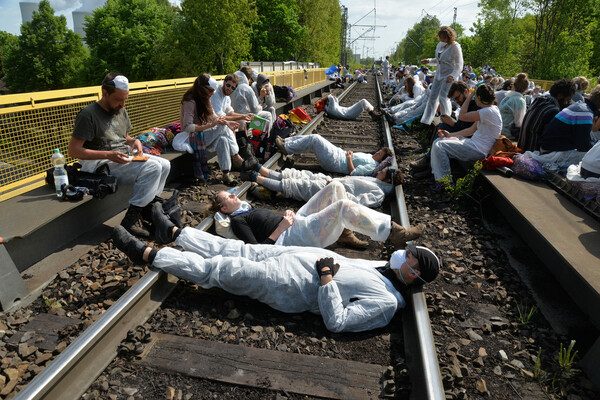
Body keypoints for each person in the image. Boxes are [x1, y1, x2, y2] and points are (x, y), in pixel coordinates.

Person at [111, 221, 440, 333]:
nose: (405, 255)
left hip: (290, 285)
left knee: (222, 270)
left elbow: (338, 321)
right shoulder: (386, 271)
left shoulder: (386, 303)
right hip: (288, 259)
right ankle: (175, 232)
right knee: (235, 249)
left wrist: (325, 279)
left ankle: (148, 255)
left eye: (411, 256)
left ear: (414, 273)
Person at [69, 72, 171, 237]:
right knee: (153, 168)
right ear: (105, 93)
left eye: (125, 99)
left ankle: (148, 208)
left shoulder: (120, 109)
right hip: (99, 164)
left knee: (165, 164)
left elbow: (123, 137)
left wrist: (134, 142)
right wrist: (108, 155)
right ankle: (131, 219)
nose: (123, 104)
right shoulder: (88, 115)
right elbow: (73, 151)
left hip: (120, 157)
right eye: (118, 99)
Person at [211, 182, 424, 249]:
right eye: (228, 196)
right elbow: (257, 251)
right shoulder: (238, 221)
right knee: (342, 206)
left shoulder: (245, 210)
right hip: (292, 237)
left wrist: (285, 216)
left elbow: (266, 222)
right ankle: (392, 233)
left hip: (295, 223)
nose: (233, 194)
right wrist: (282, 227)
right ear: (224, 209)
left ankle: (344, 234)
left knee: (335, 187)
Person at [178, 74, 256, 185]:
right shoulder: (190, 101)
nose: (213, 93)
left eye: (214, 91)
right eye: (210, 90)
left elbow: (215, 117)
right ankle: (237, 157)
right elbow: (187, 127)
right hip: (191, 137)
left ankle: (226, 173)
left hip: (202, 135)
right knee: (221, 126)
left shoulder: (206, 99)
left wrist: (227, 122)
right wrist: (211, 125)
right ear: (202, 88)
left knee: (223, 140)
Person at [430, 83, 501, 183]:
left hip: (478, 150)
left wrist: (470, 95)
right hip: (475, 145)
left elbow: (462, 116)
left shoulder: (487, 112)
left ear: (479, 97)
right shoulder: (488, 111)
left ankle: (444, 183)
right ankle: (439, 178)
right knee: (439, 141)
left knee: (440, 146)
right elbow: (470, 130)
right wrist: (449, 135)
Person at [243, 165, 402, 208]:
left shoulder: (379, 194)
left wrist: (337, 187)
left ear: (388, 181)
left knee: (297, 186)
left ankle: (257, 178)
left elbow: (356, 201)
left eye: (384, 171)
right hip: (332, 182)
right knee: (300, 175)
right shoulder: (377, 182)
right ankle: (261, 170)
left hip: (331, 192)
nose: (380, 170)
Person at [274, 134, 392, 176]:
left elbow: (354, 173)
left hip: (336, 162)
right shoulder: (370, 157)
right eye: (378, 151)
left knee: (315, 139)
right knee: (313, 139)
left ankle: (287, 148)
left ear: (381, 159)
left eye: (379, 154)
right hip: (338, 153)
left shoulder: (372, 166)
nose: (376, 152)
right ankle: (287, 142)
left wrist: (349, 158)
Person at [536, 85, 600, 156]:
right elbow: (583, 145)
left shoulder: (581, 106)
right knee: (595, 156)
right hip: (552, 152)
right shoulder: (585, 113)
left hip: (548, 147)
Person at [420, 26, 463, 125]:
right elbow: (438, 60)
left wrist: (452, 75)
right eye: (440, 37)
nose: (442, 39)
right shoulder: (439, 45)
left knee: (443, 97)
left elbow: (459, 64)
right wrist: (429, 61)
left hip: (449, 76)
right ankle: (426, 120)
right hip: (439, 75)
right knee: (432, 97)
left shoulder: (455, 47)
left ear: (449, 37)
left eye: (444, 38)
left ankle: (445, 120)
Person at [518, 79, 576, 152]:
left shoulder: (539, 101)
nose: (566, 103)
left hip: (523, 147)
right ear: (560, 96)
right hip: (533, 153)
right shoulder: (553, 110)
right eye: (567, 100)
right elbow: (550, 140)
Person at [230, 66, 274, 132]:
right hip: (244, 118)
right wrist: (260, 106)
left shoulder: (232, 85)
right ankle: (267, 138)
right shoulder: (247, 88)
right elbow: (254, 108)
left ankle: (256, 134)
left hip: (232, 116)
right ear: (249, 78)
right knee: (268, 115)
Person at [499, 73, 529, 138]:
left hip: (500, 129)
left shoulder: (507, 97)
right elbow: (519, 123)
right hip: (508, 133)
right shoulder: (519, 101)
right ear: (526, 89)